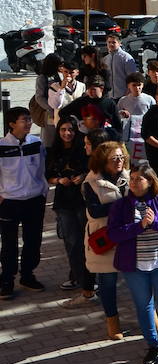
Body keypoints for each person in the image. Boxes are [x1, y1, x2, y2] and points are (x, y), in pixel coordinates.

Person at [107, 163, 158, 364]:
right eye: (131, 178)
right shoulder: (121, 205)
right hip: (135, 268)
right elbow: (114, 234)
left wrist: (155, 223)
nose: (133, 182)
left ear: (150, 181)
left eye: (138, 179)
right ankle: (153, 345)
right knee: (144, 307)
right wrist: (139, 226)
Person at [82, 140, 130, 339]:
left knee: (142, 279)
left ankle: (151, 316)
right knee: (108, 283)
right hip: (105, 238)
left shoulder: (130, 176)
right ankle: (112, 322)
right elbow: (94, 211)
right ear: (103, 161)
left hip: (129, 236)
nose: (119, 161)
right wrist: (123, 206)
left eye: (121, 157)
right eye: (114, 158)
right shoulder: (90, 182)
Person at [0, 106, 47, 298]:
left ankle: (27, 275)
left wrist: (43, 191)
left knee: (33, 241)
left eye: (29, 119)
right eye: (24, 120)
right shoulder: (1, 147)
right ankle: (7, 279)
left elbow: (43, 168)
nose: (29, 122)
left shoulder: (36, 143)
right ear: (11, 124)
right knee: (9, 243)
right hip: (9, 202)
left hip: (34, 200)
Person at [49, 118, 90, 296]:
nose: (67, 133)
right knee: (71, 242)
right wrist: (59, 180)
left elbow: (93, 169)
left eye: (71, 130)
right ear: (58, 132)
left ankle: (90, 279)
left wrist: (83, 176)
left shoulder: (83, 148)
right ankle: (78, 277)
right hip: (63, 201)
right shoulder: (53, 151)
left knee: (86, 240)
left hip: (82, 200)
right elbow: (48, 176)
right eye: (63, 130)